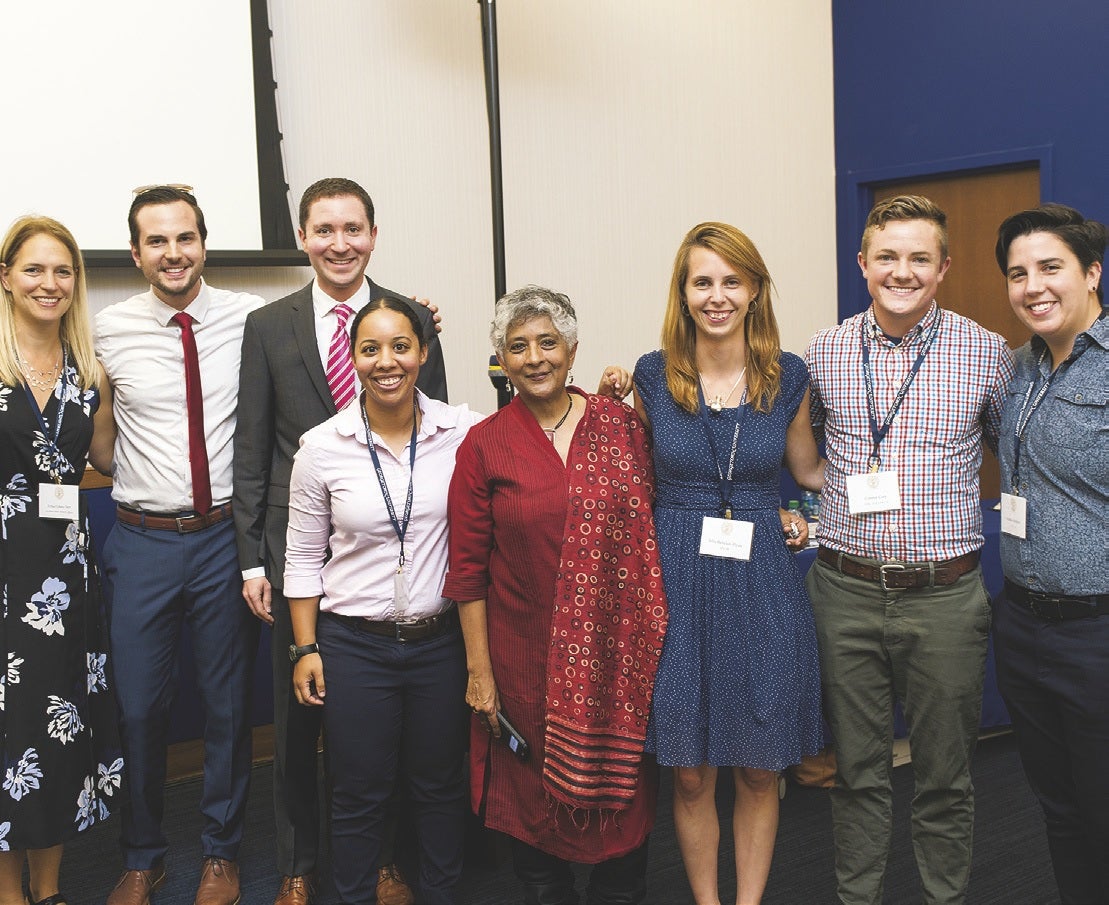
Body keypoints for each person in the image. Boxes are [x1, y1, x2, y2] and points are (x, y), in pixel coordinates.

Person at [233, 176, 446, 905]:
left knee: (390, 732)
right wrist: (251, 557)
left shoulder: (412, 318)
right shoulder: (269, 325)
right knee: (299, 717)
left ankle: (386, 860)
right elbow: (253, 449)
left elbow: (437, 430)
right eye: (324, 229)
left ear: (373, 235)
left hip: (392, 552)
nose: (339, 243)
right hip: (297, 552)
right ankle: (298, 861)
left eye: (353, 228)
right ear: (302, 237)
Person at [804, 195, 1014, 905]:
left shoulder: (986, 353)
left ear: (943, 267)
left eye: (918, 258)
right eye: (886, 257)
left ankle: (943, 896)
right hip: (844, 590)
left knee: (943, 775)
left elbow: (1017, 454)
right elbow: (810, 458)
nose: (902, 271)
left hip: (945, 596)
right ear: (861, 264)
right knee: (856, 771)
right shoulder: (824, 351)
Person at [445, 286, 668, 905]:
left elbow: (666, 514)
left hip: (616, 666)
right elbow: (466, 572)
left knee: (624, 850)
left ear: (572, 350)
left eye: (548, 342)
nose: (535, 357)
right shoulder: (484, 444)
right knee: (538, 852)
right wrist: (479, 674)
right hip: (524, 669)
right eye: (518, 346)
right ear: (501, 360)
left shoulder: (621, 425)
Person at [631, 223, 824, 905]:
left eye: (730, 281)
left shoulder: (788, 374)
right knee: (686, 771)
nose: (716, 295)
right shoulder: (651, 375)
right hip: (676, 579)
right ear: (683, 293)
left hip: (762, 580)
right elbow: (632, 480)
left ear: (753, 290)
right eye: (702, 281)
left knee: (757, 765)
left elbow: (805, 470)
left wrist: (805, 507)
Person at [95, 187, 264, 905]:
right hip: (141, 539)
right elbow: (98, 440)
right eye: (156, 241)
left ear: (203, 243)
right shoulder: (106, 327)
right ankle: (143, 853)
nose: (173, 253)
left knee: (227, 705)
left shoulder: (252, 319)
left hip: (226, 538)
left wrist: (418, 317)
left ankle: (221, 852)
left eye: (185, 238)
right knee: (136, 706)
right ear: (136, 253)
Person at [284, 297, 479, 905]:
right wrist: (305, 647)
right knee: (357, 792)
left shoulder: (463, 432)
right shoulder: (321, 447)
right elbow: (301, 558)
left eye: (401, 346)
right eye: (370, 349)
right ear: (353, 357)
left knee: (440, 788)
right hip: (353, 645)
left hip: (439, 643)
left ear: (423, 353)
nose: (386, 362)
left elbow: (539, 413)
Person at [991, 204, 1108, 904]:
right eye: (1016, 272)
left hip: (1097, 633)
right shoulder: (1015, 370)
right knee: (1059, 812)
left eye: (1049, 268)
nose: (1031, 285)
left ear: (1091, 272)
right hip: (1024, 627)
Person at [0, 216, 118, 905]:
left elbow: (104, 459)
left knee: (58, 719)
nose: (50, 283)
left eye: (63, 270)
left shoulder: (90, 372)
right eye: (35, 269)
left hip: (68, 572)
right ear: (7, 277)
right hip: (4, 568)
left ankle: (48, 890)